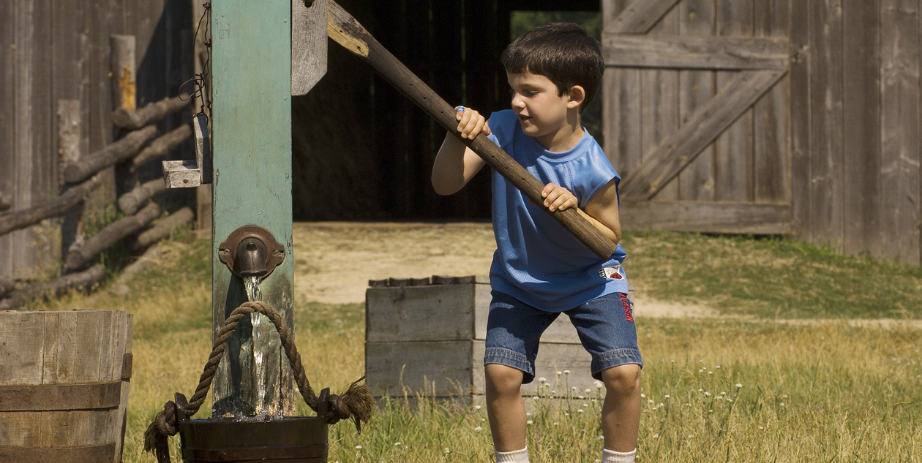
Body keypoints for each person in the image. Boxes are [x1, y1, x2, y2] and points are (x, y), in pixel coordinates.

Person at [430, 22, 642, 463]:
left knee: (624, 373)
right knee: (501, 373)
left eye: (530, 91)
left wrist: (574, 211)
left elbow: (608, 239)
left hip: (592, 280)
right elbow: (445, 184)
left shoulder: (593, 167)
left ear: (573, 97)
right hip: (520, 281)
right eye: (512, 89)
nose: (515, 102)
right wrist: (457, 135)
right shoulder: (503, 130)